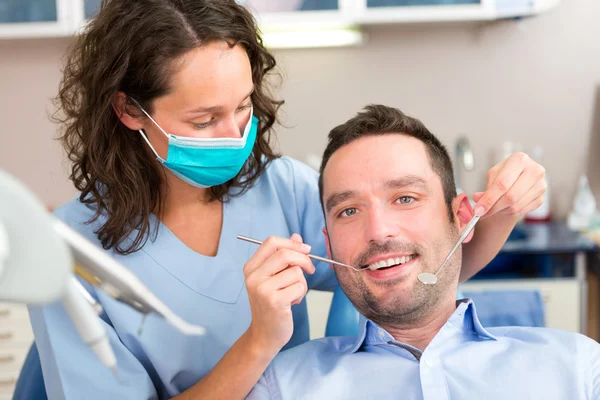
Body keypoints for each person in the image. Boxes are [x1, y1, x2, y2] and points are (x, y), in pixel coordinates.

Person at [28, 1, 547, 399]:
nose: (235, 135)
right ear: (130, 110)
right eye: (205, 121)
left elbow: (414, 281)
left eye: (243, 106)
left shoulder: (283, 188)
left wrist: (500, 209)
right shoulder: (69, 255)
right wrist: (260, 341)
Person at [246, 104, 600, 400]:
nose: (378, 230)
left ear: (461, 217)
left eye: (405, 198)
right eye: (349, 210)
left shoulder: (579, 367)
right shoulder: (281, 386)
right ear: (328, 241)